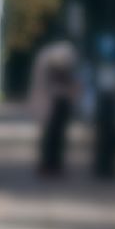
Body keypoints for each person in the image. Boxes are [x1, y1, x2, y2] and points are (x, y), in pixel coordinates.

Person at [29, 37, 81, 176]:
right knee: (53, 136)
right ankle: (50, 165)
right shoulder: (61, 55)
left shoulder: (48, 54)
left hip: (54, 101)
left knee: (53, 136)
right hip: (55, 101)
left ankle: (51, 165)